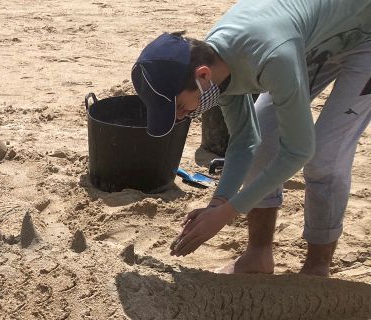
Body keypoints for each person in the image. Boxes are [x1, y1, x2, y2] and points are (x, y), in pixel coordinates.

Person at [133, 0, 371, 276]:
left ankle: (316, 269)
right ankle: (258, 255)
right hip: (320, 33)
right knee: (264, 138)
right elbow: (247, 139)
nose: (179, 116)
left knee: (324, 158)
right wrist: (218, 202)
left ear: (202, 75)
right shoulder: (213, 62)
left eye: (177, 106)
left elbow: (299, 150)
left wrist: (228, 212)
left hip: (364, 34)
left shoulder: (271, 56)